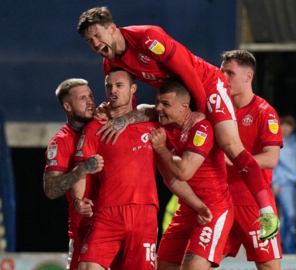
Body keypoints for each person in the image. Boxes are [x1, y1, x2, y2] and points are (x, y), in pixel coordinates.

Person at [76, 7, 279, 240]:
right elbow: (124, 101)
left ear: (113, 29)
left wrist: (199, 115)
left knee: (230, 145)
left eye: (98, 36)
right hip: (174, 101)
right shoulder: (110, 64)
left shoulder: (148, 38)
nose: (95, 43)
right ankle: (195, 209)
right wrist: (108, 111)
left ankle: (267, 213)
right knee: (161, 151)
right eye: (90, 41)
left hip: (206, 85)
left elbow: (188, 72)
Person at [73, 68, 210, 270]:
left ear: (133, 89)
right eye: (109, 86)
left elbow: (171, 176)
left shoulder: (155, 128)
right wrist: (78, 199)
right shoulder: (96, 126)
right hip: (108, 214)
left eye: (119, 85)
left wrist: (198, 205)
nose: (113, 91)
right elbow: (80, 169)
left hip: (144, 216)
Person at [149, 80, 233, 270]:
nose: (158, 108)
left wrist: (161, 149)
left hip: (214, 210)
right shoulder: (163, 130)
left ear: (184, 107)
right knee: (163, 266)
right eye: (157, 102)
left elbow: (184, 172)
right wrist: (197, 205)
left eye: (166, 104)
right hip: (189, 209)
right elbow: (171, 179)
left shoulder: (202, 127)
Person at [220, 50, 283, 269]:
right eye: (222, 72)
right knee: (199, 261)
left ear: (248, 76)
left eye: (230, 73)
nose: (224, 78)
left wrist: (236, 160)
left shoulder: (265, 112)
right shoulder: (218, 111)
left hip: (254, 203)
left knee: (268, 266)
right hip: (221, 200)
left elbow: (271, 159)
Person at [43, 78, 103, 270]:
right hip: (84, 229)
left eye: (91, 96)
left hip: (118, 224)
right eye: (82, 98)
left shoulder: (107, 125)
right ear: (68, 106)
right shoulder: (61, 142)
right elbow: (51, 190)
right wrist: (82, 169)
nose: (90, 102)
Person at [272, 115, 296, 254]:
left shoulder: (294, 143)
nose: (286, 128)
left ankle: (287, 246)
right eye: (283, 125)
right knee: (288, 215)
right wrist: (274, 183)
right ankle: (284, 247)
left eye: (288, 125)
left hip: (293, 184)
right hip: (281, 184)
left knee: (291, 216)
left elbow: (294, 164)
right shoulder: (276, 142)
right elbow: (273, 164)